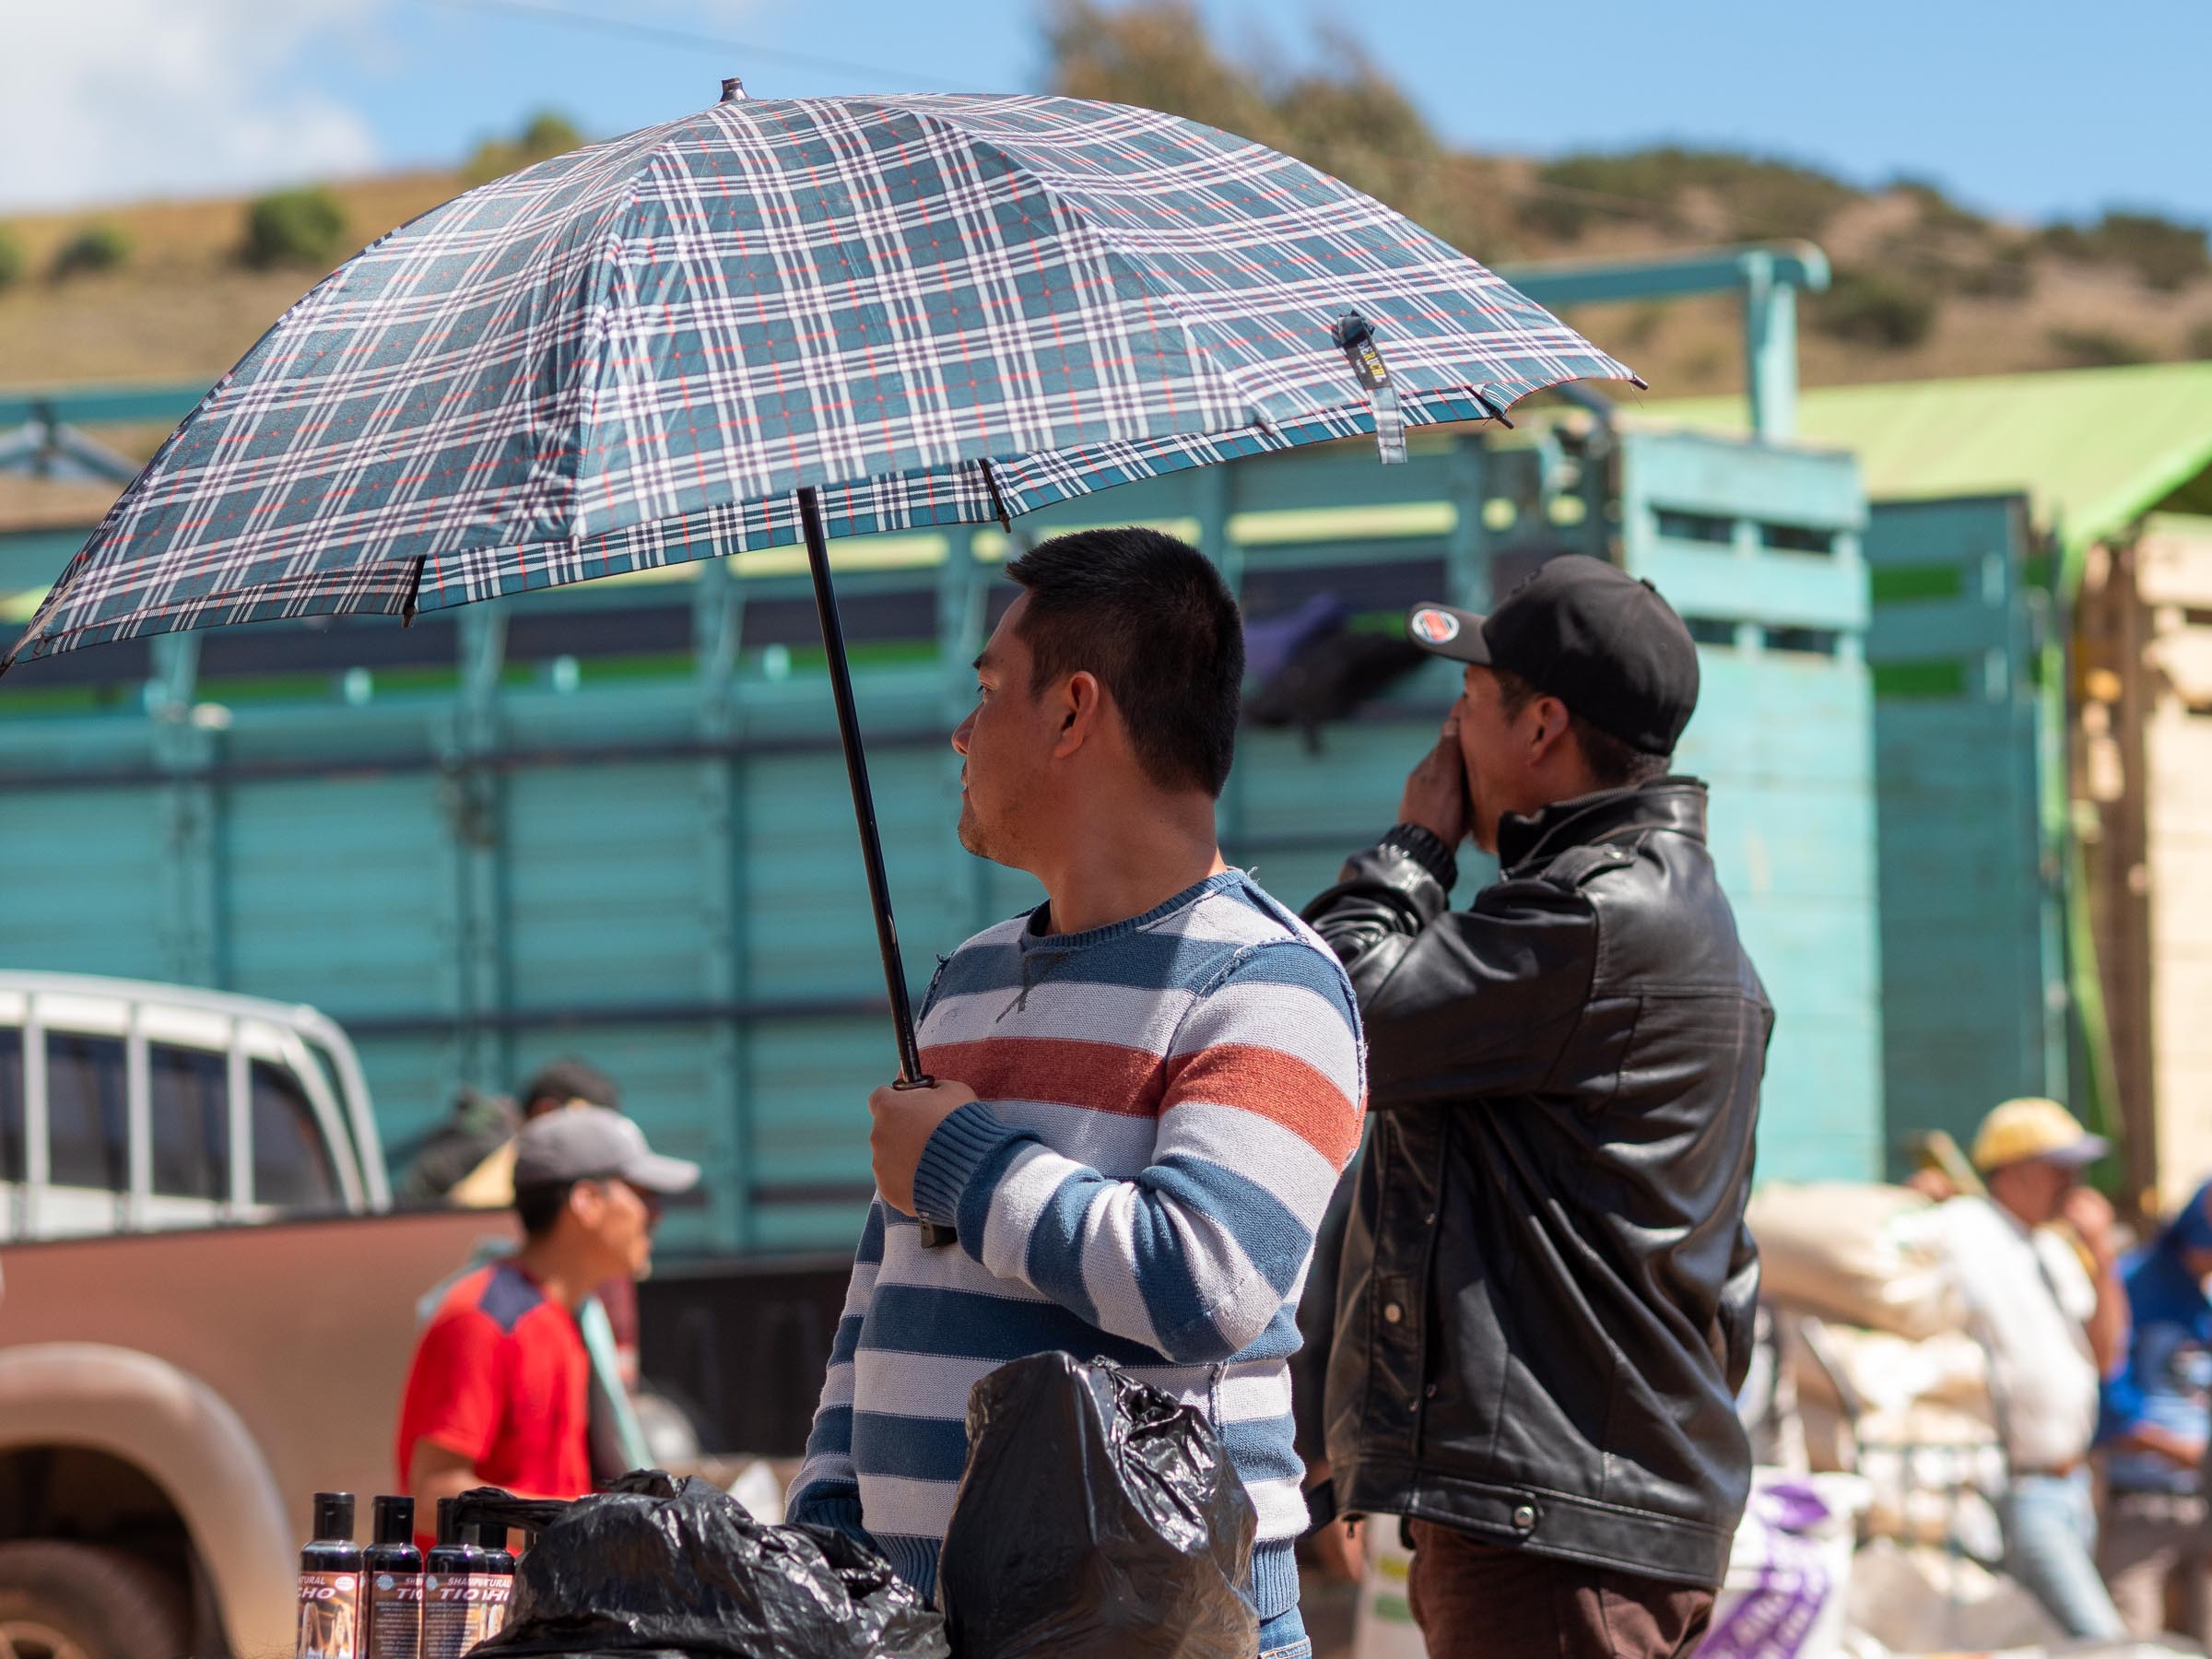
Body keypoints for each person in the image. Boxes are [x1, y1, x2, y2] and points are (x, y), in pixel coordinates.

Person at [785, 527, 1364, 1659]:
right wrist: (826, 1511)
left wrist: (966, 1160)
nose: (961, 733)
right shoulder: (968, 980)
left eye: (991, 690)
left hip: (1158, 1627)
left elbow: (1210, 1280)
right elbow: (882, 1289)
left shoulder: (1271, 985)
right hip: (919, 1624)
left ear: (1072, 711)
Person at [1302, 557, 1771, 1659]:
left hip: (1557, 1528)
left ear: (1541, 725)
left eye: (1469, 703)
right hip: (1581, 1509)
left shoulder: (1594, 921)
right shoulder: (1650, 908)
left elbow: (1331, 1017)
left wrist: (1414, 848)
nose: (1447, 741)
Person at [395, 1105, 698, 1546]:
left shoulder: (570, 1318)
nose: (656, 1217)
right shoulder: (482, 1319)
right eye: (644, 1197)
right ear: (587, 1202)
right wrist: (582, 1526)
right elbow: (431, 1496)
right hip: (484, 1609)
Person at [1923, 1098, 2126, 1639]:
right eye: (2058, 1167)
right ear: (2011, 1172)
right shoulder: (1965, 1228)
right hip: (2018, 1487)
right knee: (2101, 1640)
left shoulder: (2055, 1250)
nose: (2073, 1182)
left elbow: (2107, 1357)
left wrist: (2101, 1252)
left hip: (2074, 1486)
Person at [2099, 1180, 2212, 1640]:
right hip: (2139, 1503)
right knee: (2130, 1643)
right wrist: (2181, 1451)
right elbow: (2108, 1393)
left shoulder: (2202, 1295)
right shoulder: (2134, 1284)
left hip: (2203, 1505)